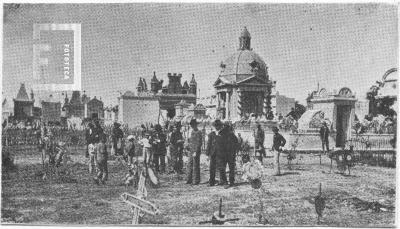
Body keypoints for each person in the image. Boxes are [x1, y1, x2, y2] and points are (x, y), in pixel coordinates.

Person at [215, 121, 238, 187]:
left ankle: (226, 181)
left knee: (224, 168)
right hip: (228, 154)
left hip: (225, 154)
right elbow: (236, 143)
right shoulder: (231, 134)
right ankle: (230, 182)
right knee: (230, 168)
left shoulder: (222, 133)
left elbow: (236, 143)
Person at [185, 119, 203, 185]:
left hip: (196, 151)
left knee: (195, 166)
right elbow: (190, 141)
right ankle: (189, 179)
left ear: (196, 125)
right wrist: (187, 146)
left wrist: (196, 151)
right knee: (189, 165)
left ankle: (196, 180)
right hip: (190, 150)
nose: (192, 126)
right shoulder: (192, 131)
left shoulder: (199, 132)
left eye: (193, 125)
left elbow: (199, 143)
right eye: (191, 125)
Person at [206, 121, 218, 186]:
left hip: (219, 153)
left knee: (221, 167)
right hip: (213, 153)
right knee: (212, 168)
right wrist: (208, 154)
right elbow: (208, 145)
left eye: (218, 126)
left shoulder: (222, 134)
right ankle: (212, 181)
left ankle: (222, 181)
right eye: (216, 126)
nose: (217, 127)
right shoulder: (211, 134)